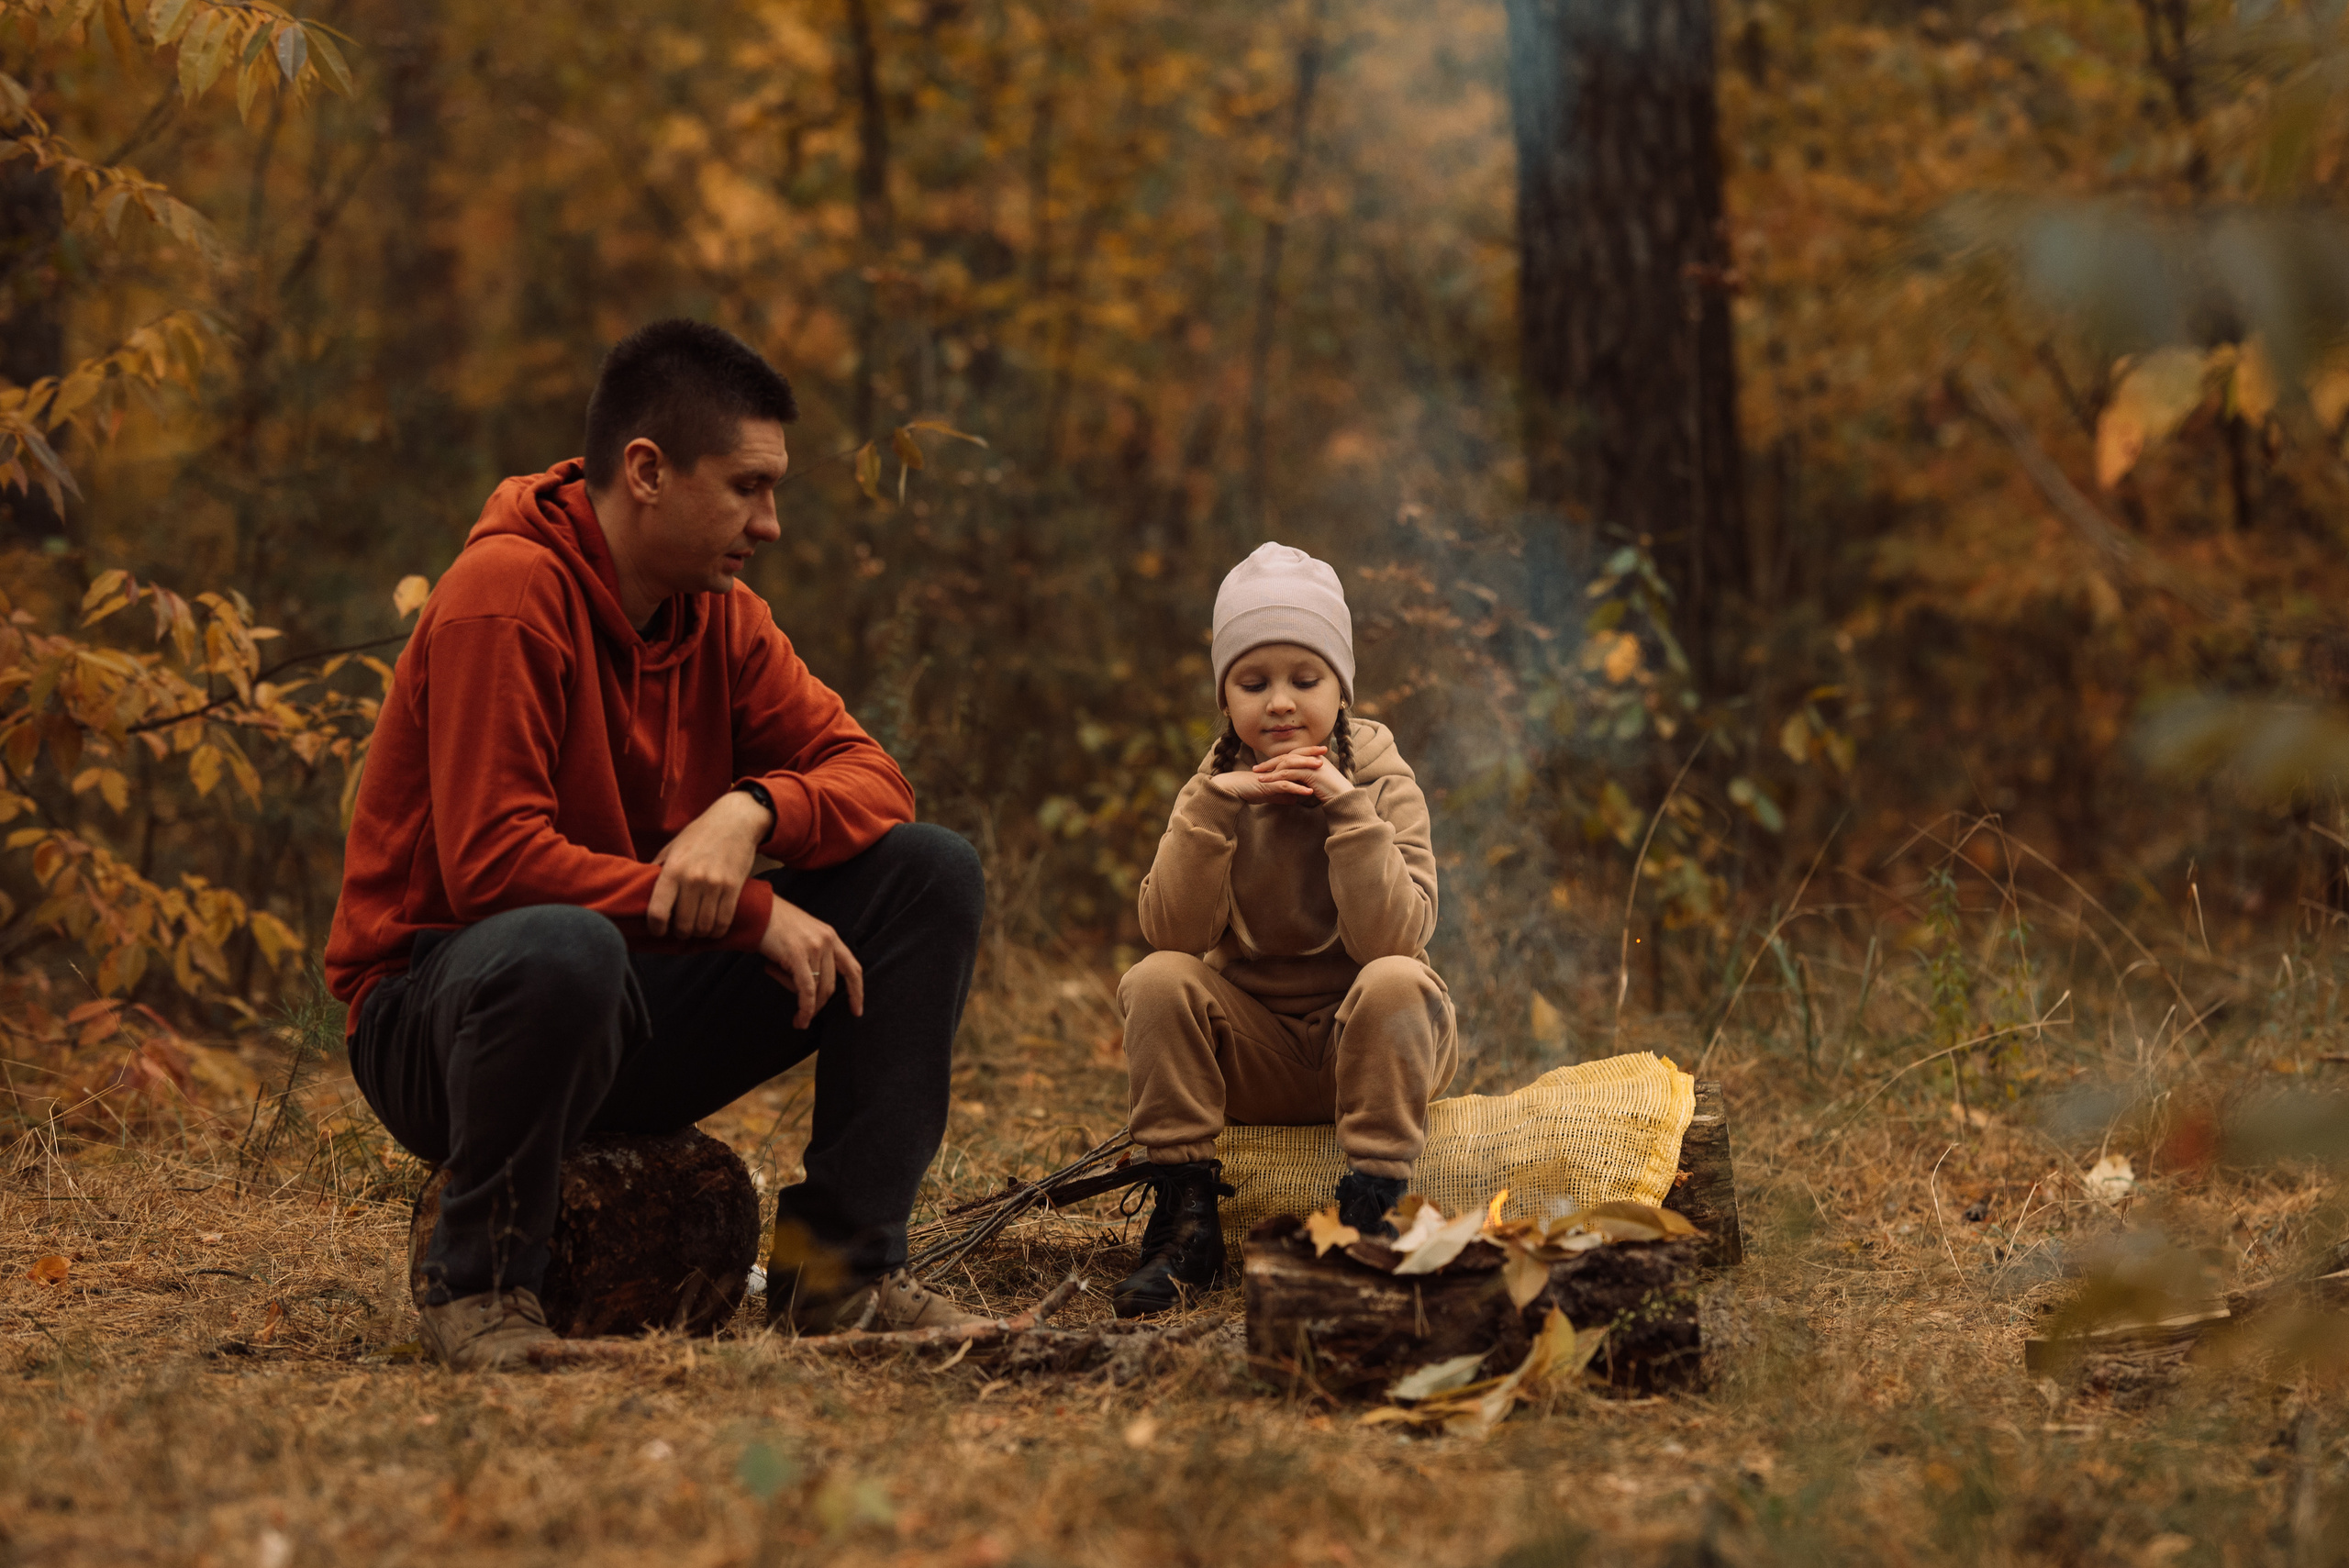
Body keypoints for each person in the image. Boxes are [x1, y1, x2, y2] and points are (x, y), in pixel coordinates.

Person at [325, 320, 986, 1368]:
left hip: (624, 995)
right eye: (746, 487)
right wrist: (753, 907)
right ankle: (482, 1287)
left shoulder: (718, 615)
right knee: (562, 944)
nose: (768, 522)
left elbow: (876, 779)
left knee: (928, 872)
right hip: (443, 1016)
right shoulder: (504, 595)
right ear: (645, 471)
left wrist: (754, 809)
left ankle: (841, 1274)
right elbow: (493, 868)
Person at [1111, 542, 1458, 1317]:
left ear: (1340, 688)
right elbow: (1170, 931)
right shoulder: (1213, 785)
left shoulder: (1379, 775)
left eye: (1305, 679)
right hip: (1258, 1053)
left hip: (1366, 1049)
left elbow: (1396, 939)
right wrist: (1212, 808)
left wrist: (1346, 809)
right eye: (1253, 681)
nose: (1279, 702)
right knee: (1158, 978)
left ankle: (1372, 1207)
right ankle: (1186, 1218)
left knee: (1399, 978)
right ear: (1226, 696)